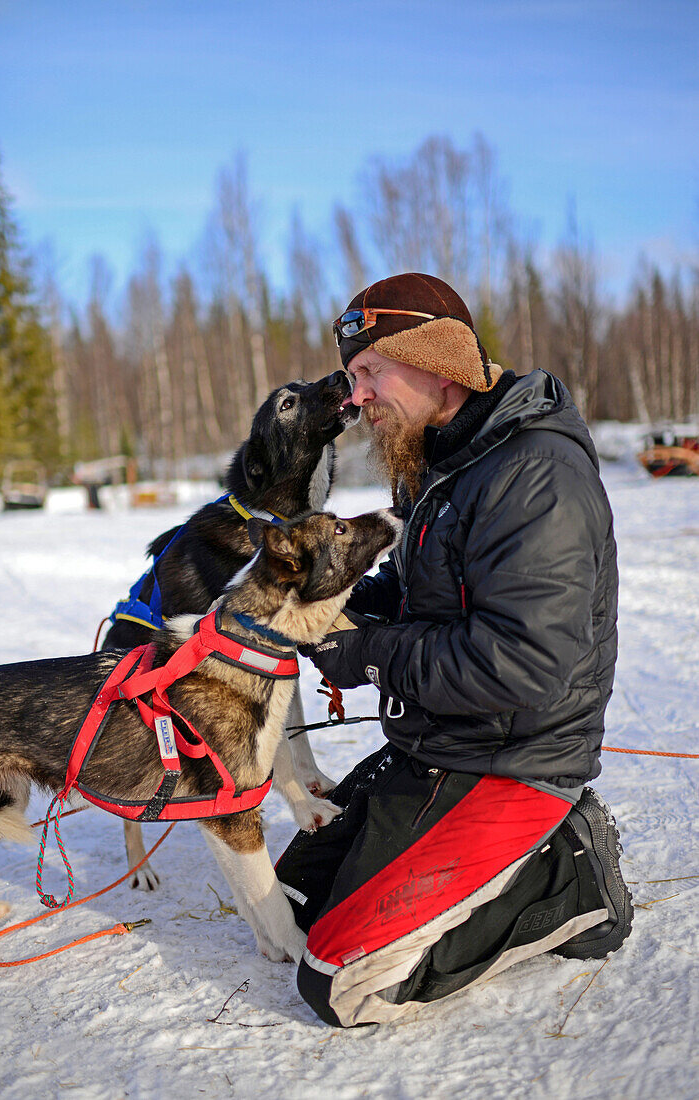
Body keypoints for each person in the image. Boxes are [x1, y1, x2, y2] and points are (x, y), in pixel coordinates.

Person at [275, 272, 633, 1028]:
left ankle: (567, 878)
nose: (356, 396)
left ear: (437, 359)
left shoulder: (534, 473)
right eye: (352, 377)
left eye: (370, 372)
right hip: (437, 740)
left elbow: (526, 664)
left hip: (513, 758)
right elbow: (418, 601)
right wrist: (326, 611)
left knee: (341, 982)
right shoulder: (438, 460)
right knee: (295, 901)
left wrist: (368, 655)